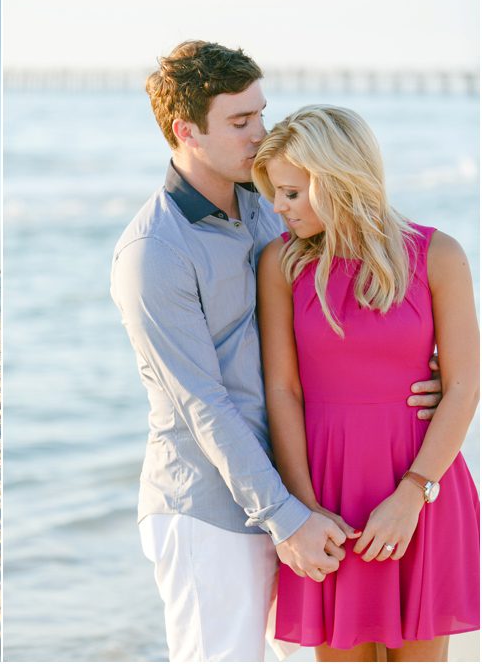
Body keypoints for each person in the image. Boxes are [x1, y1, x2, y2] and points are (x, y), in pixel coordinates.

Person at [109, 40, 444, 662]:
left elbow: (342, 307)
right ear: (187, 131)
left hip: (303, 494)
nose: (262, 135)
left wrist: (421, 369)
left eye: (262, 113)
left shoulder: (273, 207)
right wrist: (286, 517)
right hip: (213, 511)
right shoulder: (155, 251)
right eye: (241, 122)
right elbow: (202, 403)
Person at [254, 105, 480, 662]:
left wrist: (413, 493)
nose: (277, 209)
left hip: (421, 487)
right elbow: (283, 390)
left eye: (289, 193)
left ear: (334, 181)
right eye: (273, 194)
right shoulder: (280, 263)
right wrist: (302, 506)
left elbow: (464, 386)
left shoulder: (438, 254)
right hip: (329, 496)